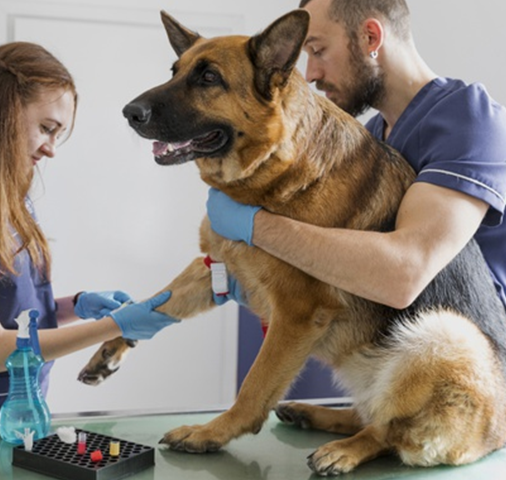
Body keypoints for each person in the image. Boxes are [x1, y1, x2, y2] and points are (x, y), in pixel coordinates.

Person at [206, 0, 506, 311]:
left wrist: (256, 226)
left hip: (470, 352)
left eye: (318, 50)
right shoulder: (370, 138)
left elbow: (403, 275)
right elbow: (346, 267)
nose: (309, 74)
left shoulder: (469, 120)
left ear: (370, 38)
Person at [0, 42, 178, 407]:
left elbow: (15, 313)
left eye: (58, 134)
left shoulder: (16, 201)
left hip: (21, 413)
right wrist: (113, 327)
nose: (51, 148)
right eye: (46, 128)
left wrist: (76, 306)